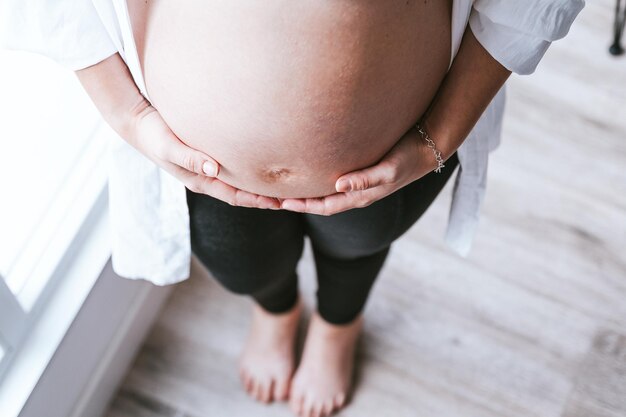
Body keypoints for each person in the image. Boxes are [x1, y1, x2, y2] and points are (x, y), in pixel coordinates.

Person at [1, 1, 585, 416]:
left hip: (401, 142)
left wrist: (439, 137)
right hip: (196, 162)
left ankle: (338, 323)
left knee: (361, 242)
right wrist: (129, 116)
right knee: (239, 264)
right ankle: (277, 311)